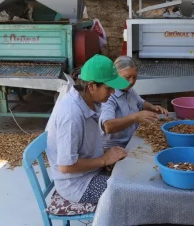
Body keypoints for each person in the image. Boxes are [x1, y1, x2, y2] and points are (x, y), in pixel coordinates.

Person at [45, 54, 130, 204]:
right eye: (109, 88)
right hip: (76, 184)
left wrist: (105, 155)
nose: (112, 93)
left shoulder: (89, 99)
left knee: (129, 173)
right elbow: (66, 166)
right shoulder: (71, 115)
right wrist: (104, 159)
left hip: (90, 171)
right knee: (128, 193)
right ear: (91, 86)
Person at [99, 56, 169, 149]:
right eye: (127, 77)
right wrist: (135, 117)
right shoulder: (109, 96)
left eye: (135, 77)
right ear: (115, 75)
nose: (131, 81)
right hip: (115, 148)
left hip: (132, 140)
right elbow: (108, 126)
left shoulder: (128, 89)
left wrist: (153, 107)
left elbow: (140, 102)